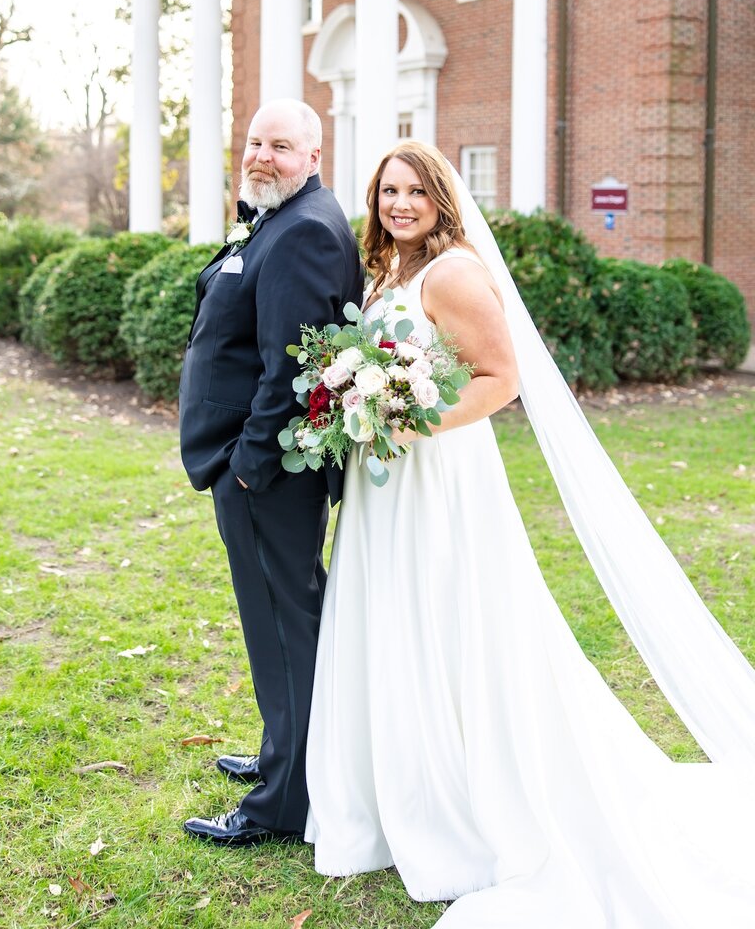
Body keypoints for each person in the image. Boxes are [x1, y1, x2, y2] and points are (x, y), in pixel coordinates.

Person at [305, 140, 755, 926]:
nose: (400, 204)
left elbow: (500, 379)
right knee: (395, 621)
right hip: (387, 483)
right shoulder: (389, 275)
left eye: (414, 191)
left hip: (438, 477)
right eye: (387, 192)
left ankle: (462, 794)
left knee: (448, 623)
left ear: (442, 199)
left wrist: (412, 422)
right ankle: (395, 788)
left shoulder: (453, 272)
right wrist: (356, 404)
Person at [179, 98, 363, 847]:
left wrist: (249, 468)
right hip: (256, 468)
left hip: (266, 475)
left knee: (286, 627)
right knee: (277, 627)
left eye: (280, 146)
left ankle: (284, 803)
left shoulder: (304, 233)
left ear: (313, 158)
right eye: (255, 141)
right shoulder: (280, 219)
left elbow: (296, 367)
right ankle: (282, 755)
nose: (261, 155)